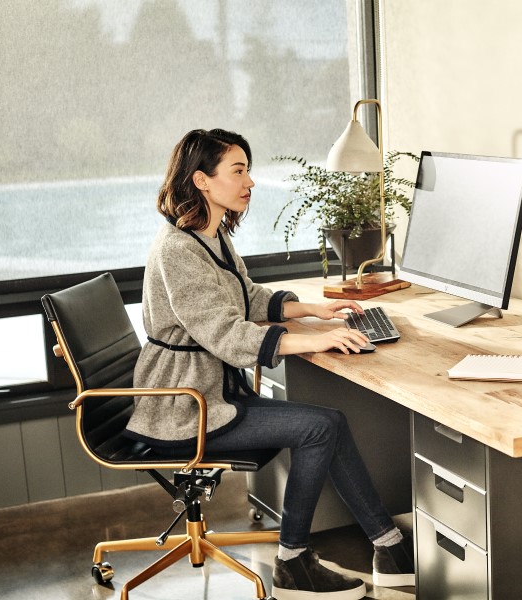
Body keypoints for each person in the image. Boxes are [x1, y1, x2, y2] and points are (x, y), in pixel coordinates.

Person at [124, 128, 414, 600]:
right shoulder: (178, 250)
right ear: (201, 180)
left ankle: (389, 547)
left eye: (248, 170)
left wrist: (313, 311)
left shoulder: (208, 235)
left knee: (329, 423)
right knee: (323, 426)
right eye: (238, 171)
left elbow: (246, 297)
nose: (250, 182)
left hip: (212, 394)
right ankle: (295, 561)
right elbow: (227, 335)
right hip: (186, 408)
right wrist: (318, 339)